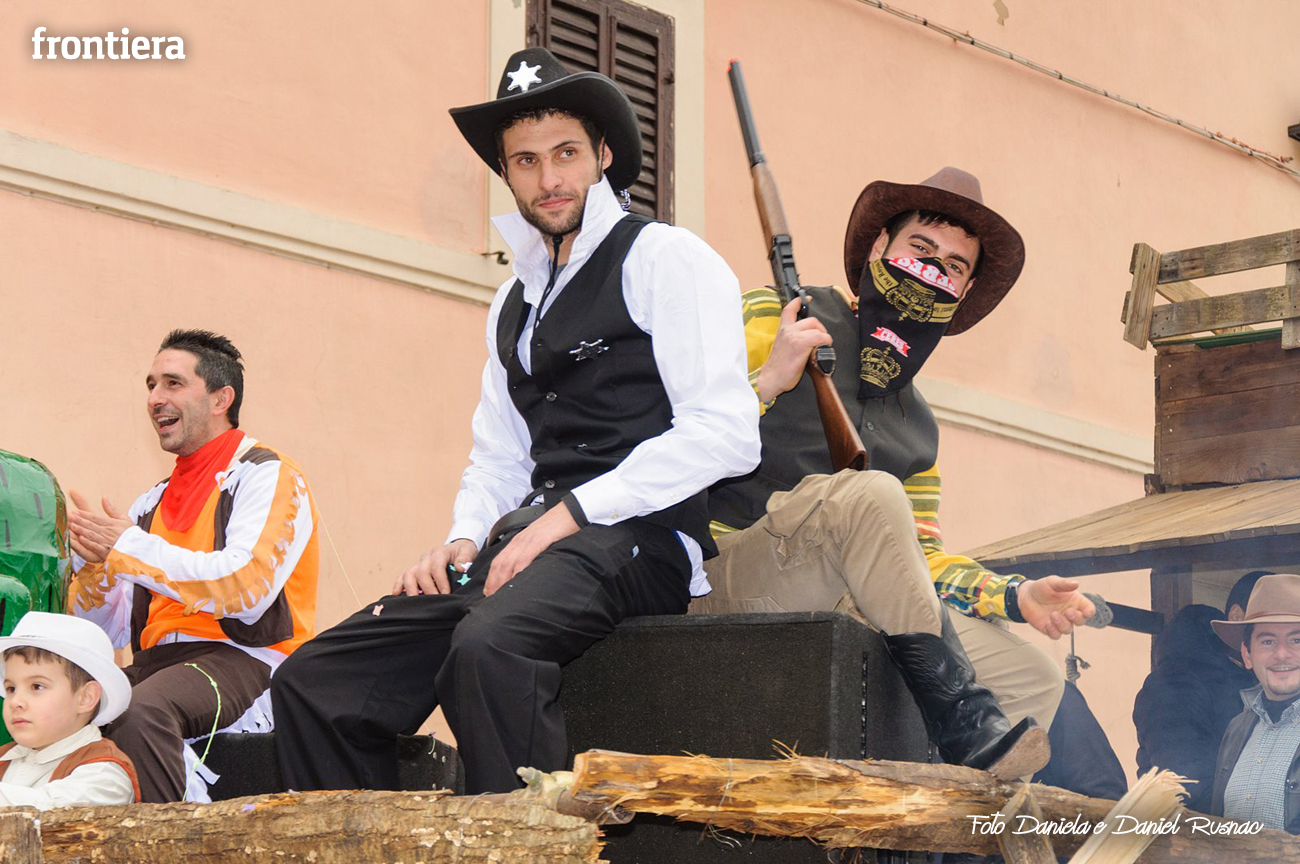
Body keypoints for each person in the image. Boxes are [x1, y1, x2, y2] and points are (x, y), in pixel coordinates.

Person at [271, 47, 760, 795]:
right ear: (506, 173)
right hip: (526, 545)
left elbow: (726, 432)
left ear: (602, 156)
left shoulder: (666, 258)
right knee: (315, 680)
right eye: (526, 161)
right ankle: (359, 843)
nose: (549, 178)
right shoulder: (513, 299)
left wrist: (570, 513)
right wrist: (464, 536)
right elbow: (499, 455)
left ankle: (528, 841)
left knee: (488, 649)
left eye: (566, 153)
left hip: (642, 537)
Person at [696, 168, 1096, 778]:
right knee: (872, 494)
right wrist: (770, 379)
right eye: (920, 249)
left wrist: (1013, 596)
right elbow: (673, 428)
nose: (932, 271)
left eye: (953, 266)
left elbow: (919, 559)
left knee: (1034, 677)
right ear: (880, 247)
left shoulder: (921, 429)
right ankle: (961, 715)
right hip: (719, 575)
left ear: (963, 292)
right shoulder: (773, 312)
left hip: (849, 597)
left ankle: (939, 812)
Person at [66, 330, 319, 803]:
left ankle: (163, 839)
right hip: (156, 663)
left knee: (139, 712)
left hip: (246, 658)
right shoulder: (148, 503)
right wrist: (96, 567)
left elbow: (244, 589)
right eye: (150, 385)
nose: (154, 398)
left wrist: (127, 546)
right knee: (61, 714)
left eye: (173, 383)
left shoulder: (268, 474)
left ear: (222, 398)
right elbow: (108, 630)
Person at [1133, 570, 1270, 813]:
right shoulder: (1176, 682)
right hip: (1195, 831)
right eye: (1268, 635)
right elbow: (1188, 785)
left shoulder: (1248, 679)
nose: (1281, 650)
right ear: (1237, 617)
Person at [0, 611, 138, 808]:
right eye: (11, 689)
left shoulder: (106, 774)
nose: (16, 701)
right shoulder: (5, 758)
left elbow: (48, 809)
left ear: (86, 697)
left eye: (37, 686)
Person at [1211, 573, 1300, 832]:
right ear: (1247, 655)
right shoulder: (1236, 729)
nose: (1281, 654)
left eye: (1296, 640)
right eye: (1268, 641)